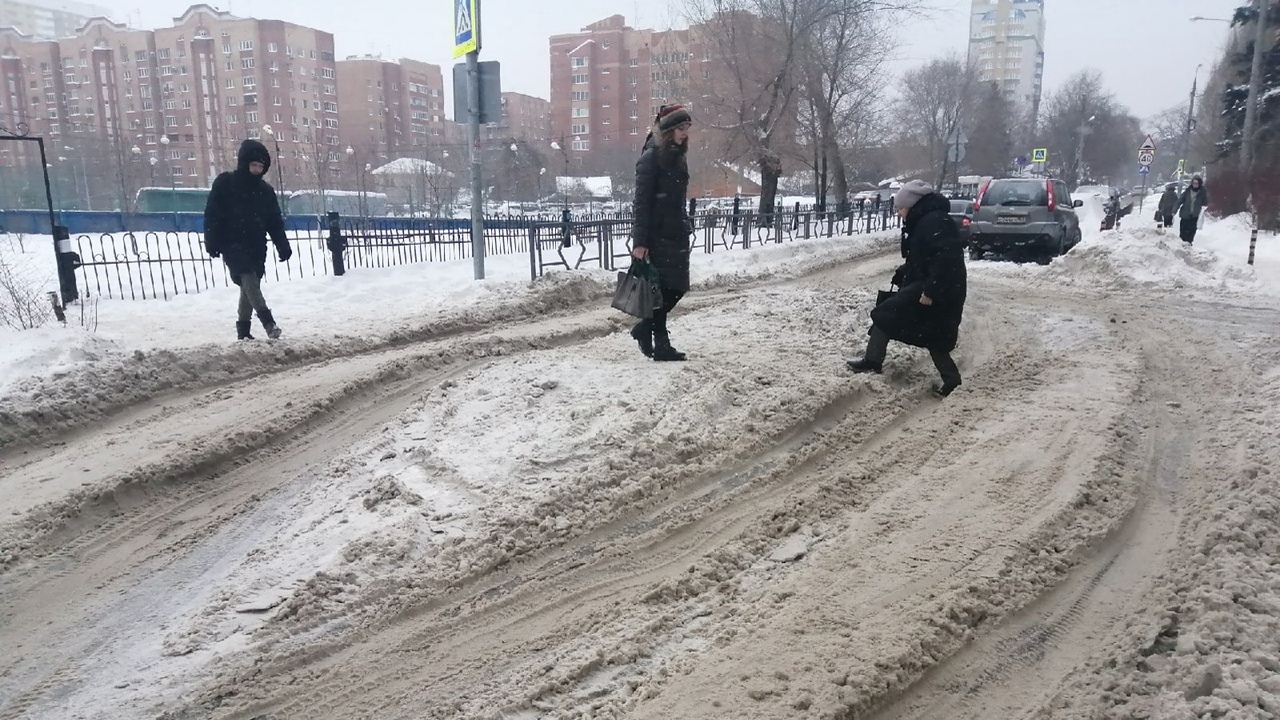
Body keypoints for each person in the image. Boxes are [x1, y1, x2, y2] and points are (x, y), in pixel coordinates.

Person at [846, 180, 967, 398]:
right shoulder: (926, 221)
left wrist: (931, 291)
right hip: (927, 284)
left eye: (900, 208)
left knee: (931, 332)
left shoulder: (934, 222)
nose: (899, 213)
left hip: (940, 289)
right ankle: (873, 360)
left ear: (912, 205)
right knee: (891, 315)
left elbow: (946, 259)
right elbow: (924, 257)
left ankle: (952, 381)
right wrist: (905, 271)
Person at [204, 139, 293, 340]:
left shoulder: (265, 191)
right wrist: (212, 241)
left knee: (249, 287)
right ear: (244, 163)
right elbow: (212, 214)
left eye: (261, 167)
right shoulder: (226, 183)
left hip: (257, 245)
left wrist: (282, 245)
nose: (257, 170)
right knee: (249, 280)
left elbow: (274, 221)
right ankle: (269, 323)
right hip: (232, 243)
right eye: (253, 165)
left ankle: (243, 331)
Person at [629, 104, 694, 362]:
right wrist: (640, 242)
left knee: (675, 288)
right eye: (680, 128)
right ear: (668, 130)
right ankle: (659, 341)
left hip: (676, 231)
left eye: (687, 128)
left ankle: (646, 331)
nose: (685, 133)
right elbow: (642, 202)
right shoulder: (651, 157)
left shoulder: (677, 155)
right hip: (657, 235)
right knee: (665, 289)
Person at [1174, 175, 1209, 244]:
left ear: (1199, 184)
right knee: (1182, 233)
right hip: (1185, 215)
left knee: (1191, 233)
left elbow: (1205, 203)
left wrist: (1202, 211)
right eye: (1193, 183)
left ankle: (1188, 245)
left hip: (1194, 216)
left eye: (1196, 183)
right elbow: (1180, 201)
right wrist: (1174, 210)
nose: (1195, 185)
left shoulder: (1202, 193)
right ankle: (1182, 245)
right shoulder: (1187, 191)